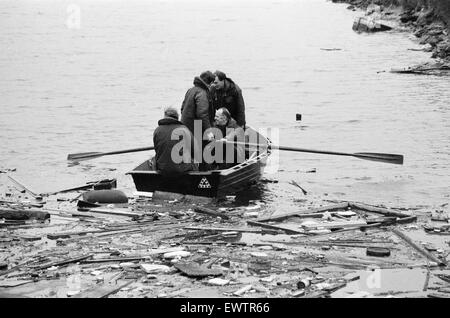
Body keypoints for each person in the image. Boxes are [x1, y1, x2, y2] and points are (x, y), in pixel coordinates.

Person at [152, 107, 200, 175]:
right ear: (177, 118)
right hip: (182, 170)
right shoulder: (184, 129)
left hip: (162, 169)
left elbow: (157, 150)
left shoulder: (157, 130)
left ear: (165, 116)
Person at [180, 71, 216, 141]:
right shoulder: (202, 93)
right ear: (210, 83)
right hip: (196, 131)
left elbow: (182, 108)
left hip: (184, 127)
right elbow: (202, 114)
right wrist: (209, 131)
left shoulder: (191, 90)